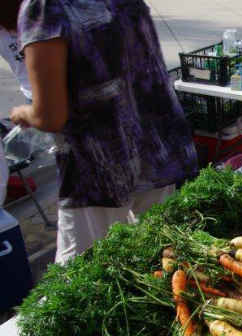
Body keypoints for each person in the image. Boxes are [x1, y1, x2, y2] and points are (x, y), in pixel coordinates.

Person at [7, 0, 198, 264]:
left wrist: (22, 113)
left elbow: (50, 116)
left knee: (79, 279)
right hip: (158, 149)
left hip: (99, 167)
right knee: (159, 258)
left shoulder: (43, 7)